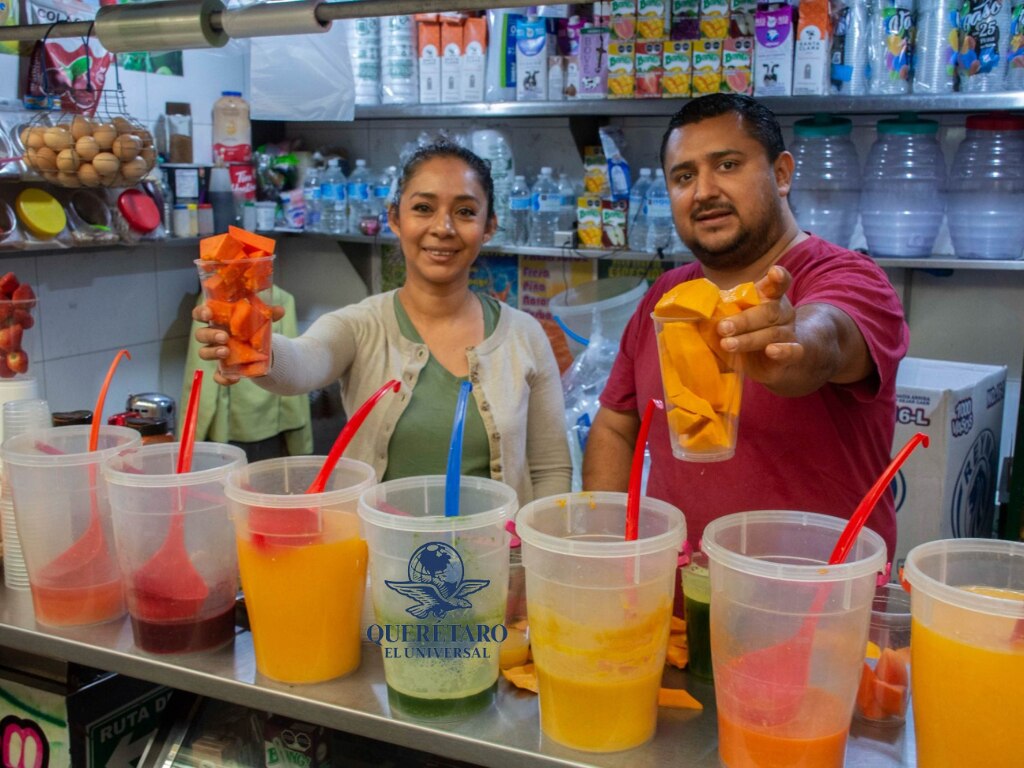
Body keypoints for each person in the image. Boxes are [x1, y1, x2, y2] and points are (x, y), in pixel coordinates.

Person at [583, 94, 909, 560]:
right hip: (673, 604)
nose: (704, 191)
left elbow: (827, 339)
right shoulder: (666, 299)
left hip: (812, 607)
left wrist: (788, 339)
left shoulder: (850, 278)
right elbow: (618, 425)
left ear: (781, 174)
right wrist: (604, 551)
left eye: (728, 165)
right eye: (684, 176)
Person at [194, 141, 571, 504]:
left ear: (489, 226)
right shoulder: (360, 326)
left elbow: (550, 468)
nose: (443, 227)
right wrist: (252, 341)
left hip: (494, 564)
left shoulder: (525, 335)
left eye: (466, 212)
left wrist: (533, 559)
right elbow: (300, 365)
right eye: (423, 208)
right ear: (395, 218)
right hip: (384, 563)